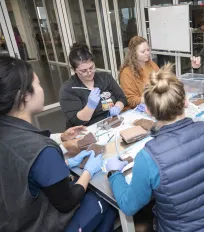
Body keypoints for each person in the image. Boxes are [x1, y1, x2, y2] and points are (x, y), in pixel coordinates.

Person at [106, 64, 204, 232]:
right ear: (185, 102)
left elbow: (129, 206)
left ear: (148, 110)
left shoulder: (148, 157)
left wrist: (113, 174)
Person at [0, 56, 117, 231]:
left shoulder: (8, 129)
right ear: (24, 96)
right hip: (42, 224)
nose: (42, 89)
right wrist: (88, 171)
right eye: (38, 84)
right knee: (107, 200)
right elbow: (67, 202)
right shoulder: (41, 149)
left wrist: (66, 160)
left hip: (14, 219)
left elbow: (25, 170)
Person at [60, 43, 127, 128]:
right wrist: (90, 106)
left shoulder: (105, 78)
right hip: (87, 129)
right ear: (74, 70)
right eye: (84, 71)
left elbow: (122, 98)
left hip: (111, 122)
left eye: (91, 67)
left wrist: (117, 107)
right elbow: (75, 121)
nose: (89, 72)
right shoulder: (68, 89)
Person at [119, 36, 159, 110]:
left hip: (154, 103)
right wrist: (147, 98)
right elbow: (130, 100)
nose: (147, 53)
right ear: (134, 54)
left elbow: (162, 80)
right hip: (137, 109)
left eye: (148, 50)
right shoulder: (126, 73)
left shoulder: (151, 64)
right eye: (143, 51)